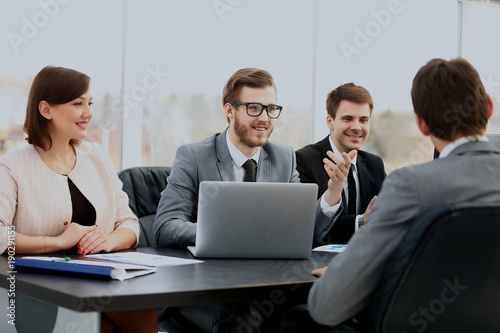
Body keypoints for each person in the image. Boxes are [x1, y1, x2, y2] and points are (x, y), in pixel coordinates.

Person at [153, 68, 355, 332]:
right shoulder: (193, 156)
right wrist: (224, 233)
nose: (264, 118)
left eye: (271, 109)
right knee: (242, 321)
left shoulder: (283, 156)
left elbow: (306, 229)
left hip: (269, 283)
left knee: (331, 308)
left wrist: (333, 191)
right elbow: (165, 225)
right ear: (229, 110)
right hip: (208, 288)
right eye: (254, 108)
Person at [307, 58, 500, 328]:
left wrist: (346, 277)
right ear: (489, 107)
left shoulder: (411, 183)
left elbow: (325, 307)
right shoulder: (307, 158)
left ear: (421, 124)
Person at [0, 66, 158, 333]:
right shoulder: (12, 167)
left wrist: (107, 240)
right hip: (40, 286)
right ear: (46, 110)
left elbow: (130, 224)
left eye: (90, 103)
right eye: (77, 103)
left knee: (137, 308)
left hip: (98, 280)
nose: (89, 113)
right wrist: (59, 241)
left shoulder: (96, 156)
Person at [296, 83, 385, 245]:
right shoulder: (303, 160)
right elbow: (306, 228)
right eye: (348, 118)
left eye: (363, 120)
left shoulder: (375, 164)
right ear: (330, 121)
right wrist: (361, 222)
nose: (357, 127)